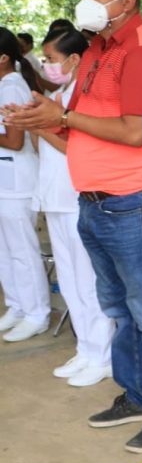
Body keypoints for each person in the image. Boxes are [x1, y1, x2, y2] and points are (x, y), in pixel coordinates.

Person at [4, 0, 142, 453]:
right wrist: (41, 120)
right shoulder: (99, 48)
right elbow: (79, 126)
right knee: (119, 309)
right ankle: (138, 394)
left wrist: (63, 115)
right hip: (92, 199)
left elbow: (134, 131)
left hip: (131, 200)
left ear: (126, 1)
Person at [32, 27, 115, 385]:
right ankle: (86, 348)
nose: (46, 66)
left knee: (88, 280)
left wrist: (40, 126)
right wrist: (36, 124)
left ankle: (103, 354)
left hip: (78, 195)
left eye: (51, 59)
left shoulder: (84, 97)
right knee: (68, 280)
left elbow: (74, 147)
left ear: (75, 59)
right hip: (55, 196)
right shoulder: (59, 95)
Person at [0, 27, 52, 344]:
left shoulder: (12, 87)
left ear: (3, 58)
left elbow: (15, 141)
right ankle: (17, 306)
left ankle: (37, 313)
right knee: (5, 251)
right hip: (5, 181)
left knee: (22, 251)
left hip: (17, 180)